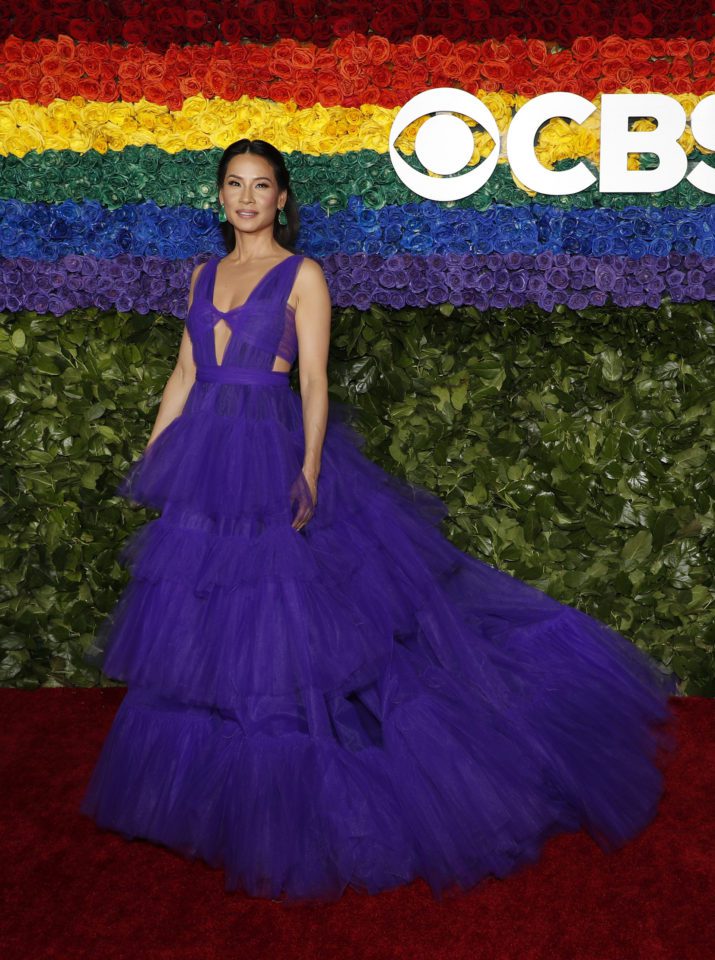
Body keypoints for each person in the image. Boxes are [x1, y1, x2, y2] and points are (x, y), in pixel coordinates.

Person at [80, 138, 680, 905]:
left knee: (283, 610)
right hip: (204, 457)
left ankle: (287, 773)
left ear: (283, 199)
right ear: (220, 196)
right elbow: (186, 372)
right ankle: (211, 788)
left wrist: (306, 469)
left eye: (262, 186)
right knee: (205, 618)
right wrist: (155, 459)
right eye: (234, 184)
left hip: (271, 448)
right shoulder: (203, 274)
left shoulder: (304, 275)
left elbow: (316, 381)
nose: (247, 198)